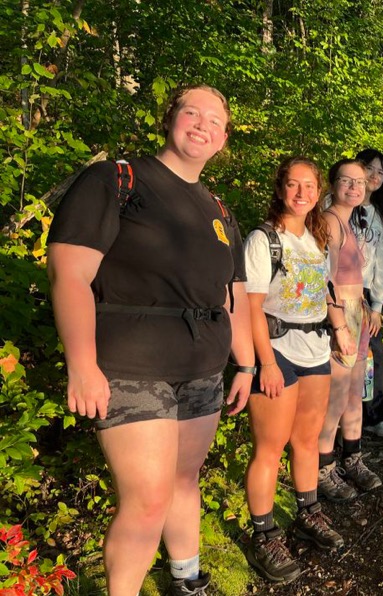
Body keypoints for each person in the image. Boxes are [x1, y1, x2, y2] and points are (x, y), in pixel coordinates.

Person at [47, 85, 253, 596]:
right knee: (147, 499)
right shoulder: (116, 180)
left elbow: (234, 297)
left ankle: (187, 579)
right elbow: (69, 276)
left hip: (203, 370)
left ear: (224, 139)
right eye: (192, 112)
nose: (202, 125)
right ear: (170, 118)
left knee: (184, 483)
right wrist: (82, 364)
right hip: (130, 364)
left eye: (215, 120)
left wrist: (245, 365)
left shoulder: (219, 209)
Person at [243, 157, 345, 584]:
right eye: (292, 185)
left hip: (315, 349)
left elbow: (322, 291)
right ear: (280, 189)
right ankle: (263, 534)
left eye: (309, 186)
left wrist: (339, 330)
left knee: (307, 440)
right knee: (270, 447)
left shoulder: (316, 239)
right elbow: (250, 306)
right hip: (277, 352)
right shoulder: (263, 239)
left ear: (318, 191)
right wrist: (264, 362)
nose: (301, 193)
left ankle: (308, 512)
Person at [317, 159, 382, 502]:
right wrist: (338, 324)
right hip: (340, 320)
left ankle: (352, 458)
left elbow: (355, 279)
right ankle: (323, 468)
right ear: (332, 184)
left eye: (361, 182)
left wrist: (369, 309)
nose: (355, 187)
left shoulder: (352, 222)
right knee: (336, 396)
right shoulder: (328, 222)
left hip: (358, 317)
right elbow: (322, 281)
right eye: (347, 181)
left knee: (357, 391)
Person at [353, 149, 383, 438]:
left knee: (371, 354)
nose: (374, 176)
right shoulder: (334, 204)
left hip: (366, 294)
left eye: (380, 172)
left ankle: (371, 415)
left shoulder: (380, 216)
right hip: (334, 291)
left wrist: (377, 305)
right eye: (369, 168)